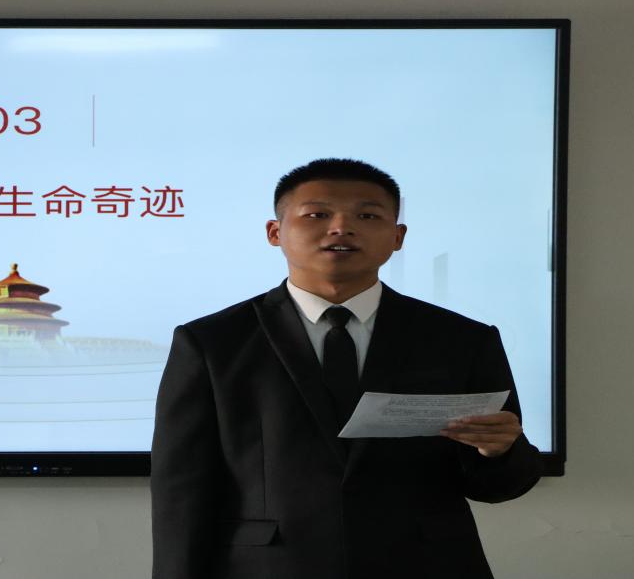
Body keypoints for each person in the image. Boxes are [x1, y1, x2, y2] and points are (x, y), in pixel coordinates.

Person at [150, 158, 542, 579]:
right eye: (317, 215)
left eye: (367, 216)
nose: (341, 228)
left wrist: (501, 452)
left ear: (397, 237)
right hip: (271, 567)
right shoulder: (212, 342)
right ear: (275, 232)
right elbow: (181, 491)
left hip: (427, 564)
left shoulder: (462, 340)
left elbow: (498, 485)